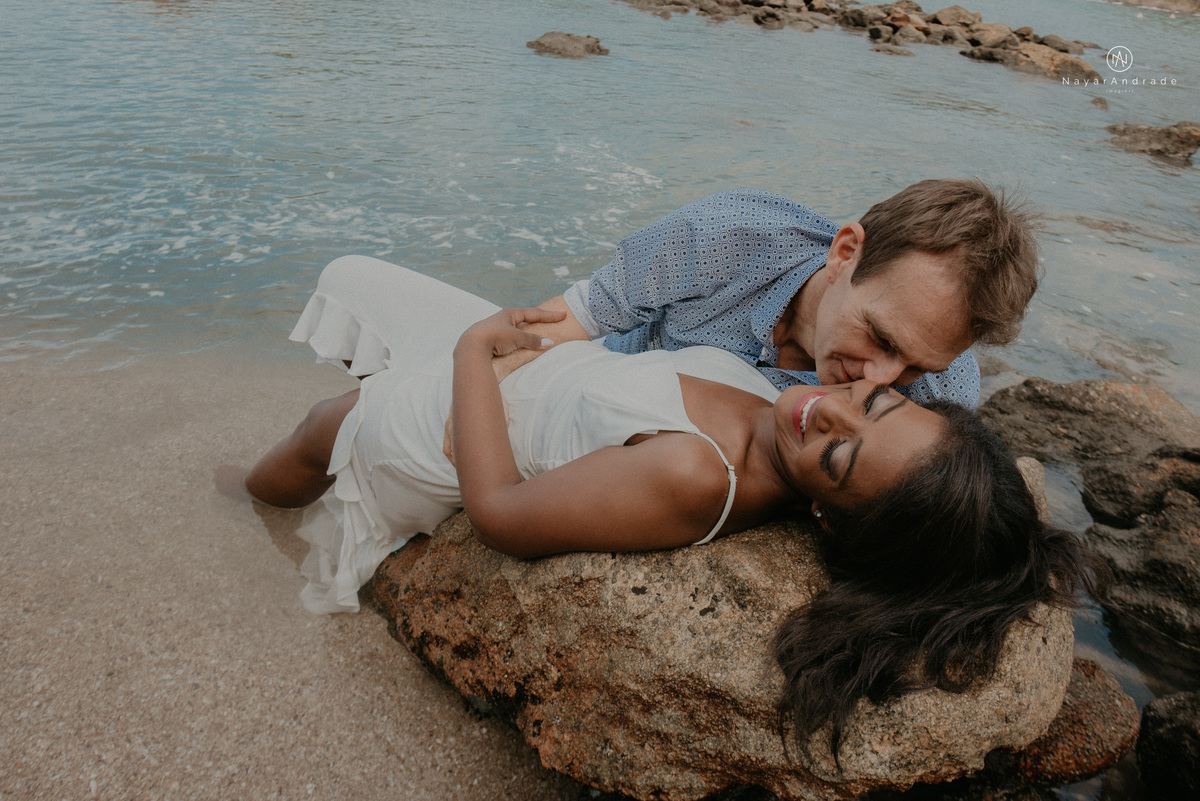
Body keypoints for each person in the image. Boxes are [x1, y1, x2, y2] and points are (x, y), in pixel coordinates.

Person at [244, 258, 1100, 761]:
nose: (828, 408)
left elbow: (500, 512)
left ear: (830, 520)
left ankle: (236, 507)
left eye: (837, 455)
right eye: (878, 403)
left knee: (325, 430)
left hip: (455, 428)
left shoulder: (698, 474)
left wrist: (474, 356)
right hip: (530, 375)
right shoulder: (786, 397)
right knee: (357, 280)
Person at [490, 178, 1041, 408]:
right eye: (879, 336)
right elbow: (572, 319)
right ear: (845, 253)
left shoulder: (944, 395)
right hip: (604, 384)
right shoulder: (726, 235)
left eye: (916, 367)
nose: (879, 382)